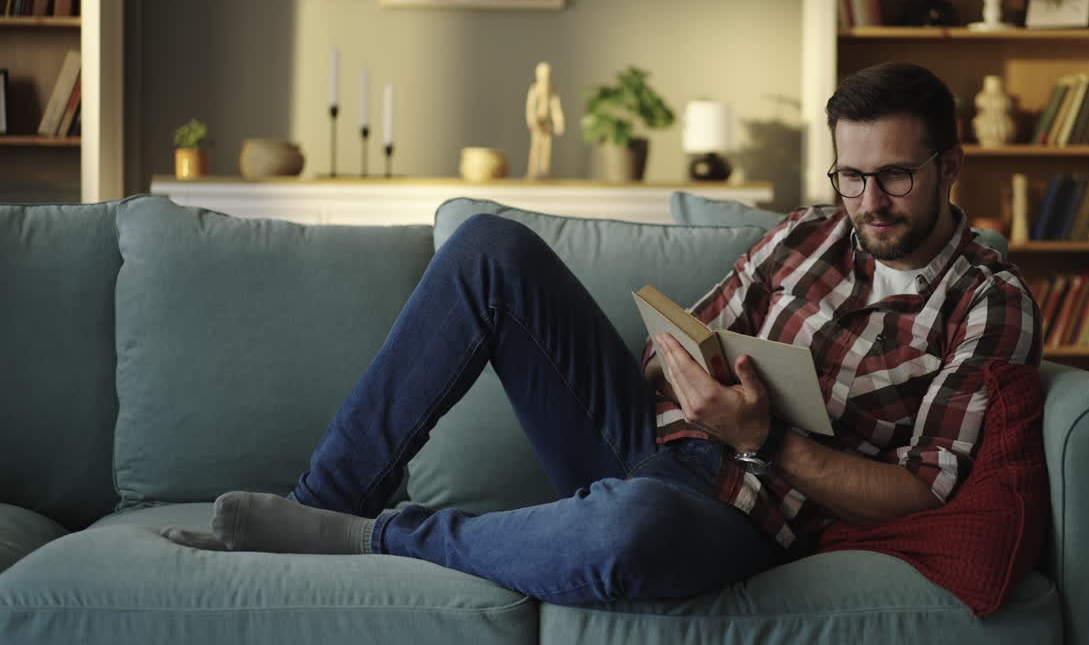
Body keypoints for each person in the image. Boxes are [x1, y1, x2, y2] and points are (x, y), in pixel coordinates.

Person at [162, 62, 1041, 605]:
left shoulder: (985, 302)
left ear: (949, 167)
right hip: (644, 434)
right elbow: (695, 328)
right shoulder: (806, 232)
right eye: (850, 177)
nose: (868, 204)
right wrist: (678, 354)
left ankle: (383, 538)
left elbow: (924, 494)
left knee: (630, 535)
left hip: (741, 512)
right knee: (490, 248)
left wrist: (764, 436)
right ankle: (322, 508)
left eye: (892, 177)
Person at [525, 61, 564, 179]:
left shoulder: (552, 90)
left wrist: (559, 123)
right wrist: (531, 120)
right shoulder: (534, 89)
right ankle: (532, 171)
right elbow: (530, 107)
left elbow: (556, 108)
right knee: (536, 148)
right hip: (538, 122)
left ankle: (544, 171)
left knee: (547, 148)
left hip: (547, 123)